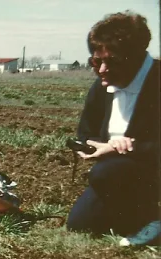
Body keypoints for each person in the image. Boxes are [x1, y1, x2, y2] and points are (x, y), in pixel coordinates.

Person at [67, 11, 160, 246]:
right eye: (96, 61)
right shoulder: (101, 87)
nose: (102, 70)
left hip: (152, 175)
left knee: (105, 172)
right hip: (116, 177)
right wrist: (93, 146)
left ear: (137, 57)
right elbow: (86, 132)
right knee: (78, 225)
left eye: (112, 61)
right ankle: (139, 220)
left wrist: (131, 148)